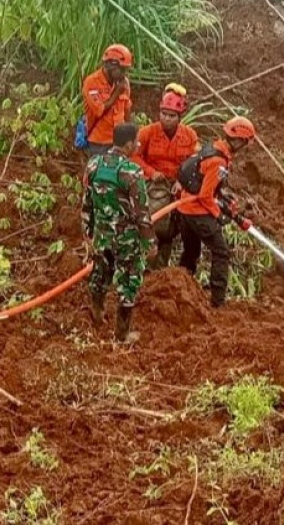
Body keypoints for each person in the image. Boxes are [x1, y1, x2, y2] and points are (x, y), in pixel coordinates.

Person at [82, 122, 155, 343]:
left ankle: (97, 312)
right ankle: (122, 335)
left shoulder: (94, 164)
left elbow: (87, 201)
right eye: (137, 141)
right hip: (127, 238)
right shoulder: (131, 171)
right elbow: (141, 211)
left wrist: (87, 232)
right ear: (129, 143)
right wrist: (149, 241)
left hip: (102, 234)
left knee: (100, 273)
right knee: (128, 281)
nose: (139, 145)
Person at [176, 116, 257, 308]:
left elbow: (210, 189)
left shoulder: (213, 148)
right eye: (244, 143)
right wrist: (218, 216)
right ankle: (217, 301)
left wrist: (227, 203)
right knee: (221, 252)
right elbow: (205, 196)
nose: (244, 147)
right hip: (197, 211)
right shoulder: (218, 161)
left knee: (191, 251)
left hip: (184, 209)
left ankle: (180, 290)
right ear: (237, 141)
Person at [133, 89, 199, 267]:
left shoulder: (190, 136)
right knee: (153, 220)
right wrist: (151, 172)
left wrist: (182, 181)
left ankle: (164, 265)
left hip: (179, 186)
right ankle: (146, 261)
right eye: (164, 114)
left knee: (175, 227)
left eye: (172, 115)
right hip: (155, 183)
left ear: (179, 117)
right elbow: (134, 156)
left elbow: (195, 161)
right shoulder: (147, 132)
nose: (167, 119)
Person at [80, 44, 133, 157]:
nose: (124, 74)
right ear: (110, 66)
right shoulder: (92, 82)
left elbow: (127, 109)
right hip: (99, 142)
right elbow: (99, 110)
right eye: (122, 70)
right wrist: (117, 93)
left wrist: (131, 136)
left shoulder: (124, 83)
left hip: (119, 142)